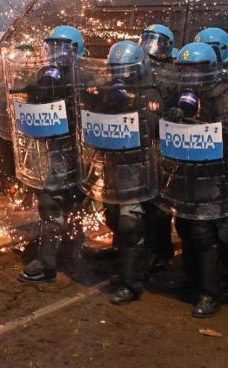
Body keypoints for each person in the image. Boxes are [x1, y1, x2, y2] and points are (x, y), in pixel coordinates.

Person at [157, 40, 228, 317]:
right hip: (186, 172)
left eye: (195, 70)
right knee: (184, 225)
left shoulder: (223, 94)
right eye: (184, 70)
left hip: (215, 175)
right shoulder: (180, 93)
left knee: (206, 233)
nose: (189, 76)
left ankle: (212, 291)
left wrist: (194, 125)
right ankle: (192, 278)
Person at [76, 40, 157, 303]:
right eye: (116, 69)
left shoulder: (151, 93)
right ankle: (126, 257)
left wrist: (134, 104)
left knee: (130, 223)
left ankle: (131, 282)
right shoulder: (105, 91)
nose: (121, 75)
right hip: (111, 167)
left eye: (127, 70)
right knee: (112, 217)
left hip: (138, 167)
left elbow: (156, 125)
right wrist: (97, 97)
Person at [7, 25, 84, 284]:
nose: (57, 53)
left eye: (63, 47)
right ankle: (57, 257)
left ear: (77, 51)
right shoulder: (45, 75)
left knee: (65, 203)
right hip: (52, 149)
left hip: (78, 152)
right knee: (52, 202)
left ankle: (58, 257)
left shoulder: (84, 76)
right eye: (53, 46)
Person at [141, 23, 177, 270]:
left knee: (158, 203)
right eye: (148, 39)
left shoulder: (173, 72)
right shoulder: (136, 66)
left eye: (158, 41)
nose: (152, 46)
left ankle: (161, 251)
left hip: (160, 144)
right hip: (138, 143)